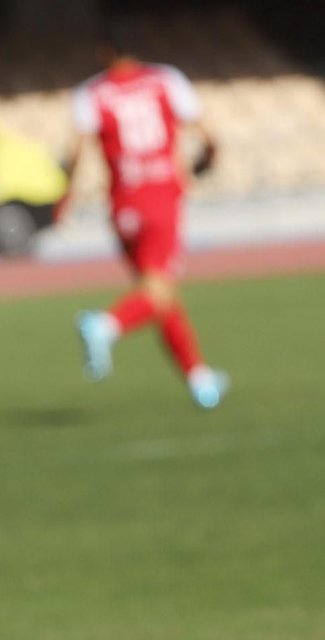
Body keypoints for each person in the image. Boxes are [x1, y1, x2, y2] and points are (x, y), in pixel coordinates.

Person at [65, 28, 229, 408]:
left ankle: (199, 379)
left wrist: (66, 196)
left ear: (104, 51)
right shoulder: (165, 80)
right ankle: (105, 326)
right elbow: (208, 137)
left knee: (160, 293)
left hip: (123, 205)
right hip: (161, 197)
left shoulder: (90, 93)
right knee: (157, 292)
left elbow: (74, 153)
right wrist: (206, 161)